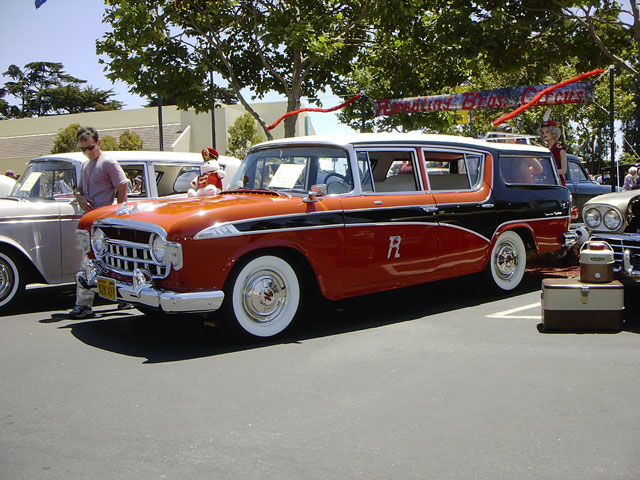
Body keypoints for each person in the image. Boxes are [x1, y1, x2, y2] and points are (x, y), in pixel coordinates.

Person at [67, 127, 129, 319]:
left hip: (105, 221)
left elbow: (122, 186)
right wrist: (79, 198)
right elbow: (78, 190)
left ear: (99, 143)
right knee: (99, 262)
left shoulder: (108, 162)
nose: (87, 152)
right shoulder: (86, 165)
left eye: (90, 147)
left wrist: (120, 214)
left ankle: (84, 304)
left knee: (91, 261)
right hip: (91, 221)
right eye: (83, 149)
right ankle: (122, 297)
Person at [539, 120, 567, 186]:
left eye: (547, 132)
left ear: (553, 133)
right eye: (543, 132)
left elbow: (564, 170)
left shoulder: (560, 150)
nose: (544, 134)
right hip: (545, 183)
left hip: (557, 183)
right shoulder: (543, 150)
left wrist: (549, 171)